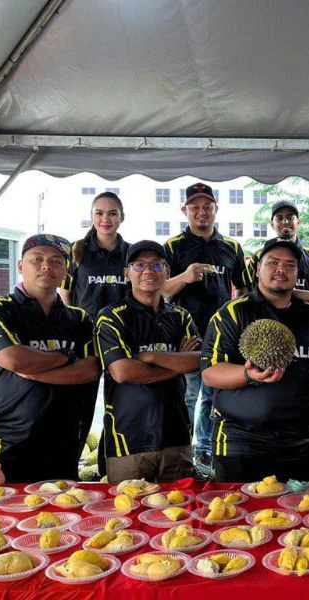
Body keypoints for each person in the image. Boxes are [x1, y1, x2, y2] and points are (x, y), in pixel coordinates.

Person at [200, 238, 309, 482]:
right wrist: (247, 374)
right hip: (240, 443)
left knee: (303, 516)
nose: (281, 270)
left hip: (303, 444)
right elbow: (210, 373)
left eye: (290, 265)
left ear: (297, 273)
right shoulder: (232, 313)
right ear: (258, 268)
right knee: (239, 517)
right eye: (273, 263)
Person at [0, 234, 100, 482]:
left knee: (63, 519)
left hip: (62, 449)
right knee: (1, 520)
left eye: (56, 261)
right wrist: (66, 356)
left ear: (66, 271)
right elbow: (13, 359)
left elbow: (90, 370)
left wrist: (33, 369)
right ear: (21, 266)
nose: (46, 266)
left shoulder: (79, 319)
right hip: (4, 450)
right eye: (37, 259)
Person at [95, 241, 201, 483]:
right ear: (127, 272)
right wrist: (176, 363)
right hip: (128, 440)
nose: (148, 271)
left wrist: (150, 357)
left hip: (176, 436)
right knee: (127, 518)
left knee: (179, 514)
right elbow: (123, 372)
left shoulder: (180, 316)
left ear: (167, 271)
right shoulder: (111, 316)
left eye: (156, 265)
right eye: (139, 265)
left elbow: (198, 361)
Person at [163, 183, 248, 468]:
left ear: (215, 210)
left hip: (223, 335)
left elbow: (245, 290)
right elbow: (161, 290)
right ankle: (181, 451)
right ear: (184, 211)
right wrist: (185, 277)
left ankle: (206, 448)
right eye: (195, 207)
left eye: (207, 207)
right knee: (188, 396)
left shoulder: (232, 247)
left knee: (214, 397)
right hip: (187, 336)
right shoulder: (173, 247)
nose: (202, 212)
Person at [59, 190, 129, 471]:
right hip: (85, 340)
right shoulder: (77, 251)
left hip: (120, 340)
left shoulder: (130, 253)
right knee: (79, 407)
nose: (105, 219)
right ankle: (69, 464)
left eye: (112, 213)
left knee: (118, 406)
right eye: (99, 213)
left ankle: (108, 466)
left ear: (121, 218)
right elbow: (65, 292)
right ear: (92, 216)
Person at [243, 199, 309, 293]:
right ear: (272, 224)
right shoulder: (259, 256)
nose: (285, 221)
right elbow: (246, 292)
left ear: (298, 222)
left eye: (290, 218)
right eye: (279, 218)